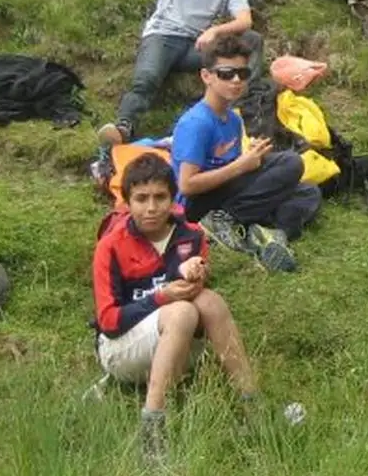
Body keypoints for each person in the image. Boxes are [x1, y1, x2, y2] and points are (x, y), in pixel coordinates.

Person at [91, 155, 258, 458]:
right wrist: (162, 296)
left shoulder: (192, 236)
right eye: (141, 199)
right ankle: (153, 427)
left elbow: (196, 298)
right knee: (181, 311)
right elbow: (109, 322)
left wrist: (196, 273)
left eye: (160, 197)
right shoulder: (111, 245)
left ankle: (252, 405)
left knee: (209, 300)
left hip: (177, 347)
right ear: (127, 202)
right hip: (121, 352)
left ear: (172, 199)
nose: (151, 207)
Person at [98, 0, 260, 151]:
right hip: (163, 35)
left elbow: (245, 20)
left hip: (196, 44)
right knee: (148, 77)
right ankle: (124, 127)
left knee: (252, 40)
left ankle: (242, 108)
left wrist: (215, 31)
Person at [171, 34, 321, 273]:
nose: (236, 81)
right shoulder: (196, 123)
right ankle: (224, 222)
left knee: (308, 191)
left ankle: (269, 235)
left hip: (224, 192)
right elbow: (187, 185)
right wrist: (241, 165)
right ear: (206, 76)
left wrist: (251, 159)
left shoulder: (231, 118)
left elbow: (235, 168)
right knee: (291, 163)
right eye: (226, 73)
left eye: (242, 73)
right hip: (197, 205)